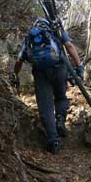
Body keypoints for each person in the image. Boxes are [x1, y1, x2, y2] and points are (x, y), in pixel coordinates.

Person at [12, 18, 84, 154]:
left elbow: (19, 59)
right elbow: (69, 46)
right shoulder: (55, 30)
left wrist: (15, 74)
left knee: (46, 107)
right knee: (61, 98)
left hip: (40, 73)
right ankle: (60, 120)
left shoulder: (30, 38)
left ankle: (53, 141)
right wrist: (79, 66)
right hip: (59, 68)